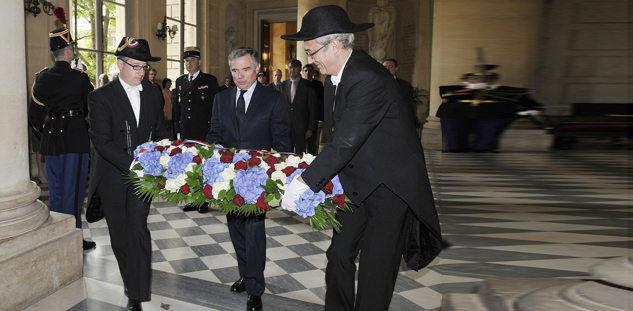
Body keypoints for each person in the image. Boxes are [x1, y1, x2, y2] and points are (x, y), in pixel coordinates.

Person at [281, 5, 441, 311]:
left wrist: (305, 182)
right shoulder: (332, 77)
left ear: (336, 44)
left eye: (312, 51)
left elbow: (344, 142)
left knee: (375, 269)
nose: (310, 60)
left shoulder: (368, 77)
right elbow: (340, 137)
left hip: (391, 187)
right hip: (357, 181)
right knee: (339, 255)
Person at [87, 37, 170, 311]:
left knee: (137, 228)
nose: (141, 72)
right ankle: (130, 280)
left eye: (144, 67)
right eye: (135, 66)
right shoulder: (100, 97)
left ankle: (136, 294)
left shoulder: (152, 92)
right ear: (120, 64)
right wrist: (133, 164)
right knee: (120, 234)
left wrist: (165, 157)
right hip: (112, 174)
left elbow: (160, 132)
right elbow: (102, 141)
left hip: (142, 176)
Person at [206, 46, 290, 311]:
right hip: (229, 178)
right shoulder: (222, 99)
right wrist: (213, 151)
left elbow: (281, 141)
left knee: (254, 232)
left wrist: (272, 172)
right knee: (236, 229)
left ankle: (255, 288)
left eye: (245, 69)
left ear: (256, 69)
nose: (240, 76)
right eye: (234, 70)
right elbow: (214, 134)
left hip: (257, 178)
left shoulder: (273, 99)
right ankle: (245, 274)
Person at [28, 10, 96, 251]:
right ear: (69, 52)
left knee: (56, 190)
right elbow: (92, 107)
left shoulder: (42, 79)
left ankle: (60, 236)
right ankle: (72, 237)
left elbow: (34, 116)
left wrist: (43, 133)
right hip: (75, 138)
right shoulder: (79, 78)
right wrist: (87, 123)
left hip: (52, 139)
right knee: (75, 192)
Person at [437, 68, 543, 152]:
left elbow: (532, 105)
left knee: (486, 141)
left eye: (486, 79)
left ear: (493, 80)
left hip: (492, 115)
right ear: (465, 80)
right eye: (473, 79)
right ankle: (456, 150)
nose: (476, 80)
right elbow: (448, 95)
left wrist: (526, 111)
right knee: (455, 140)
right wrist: (474, 88)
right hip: (457, 114)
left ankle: (483, 150)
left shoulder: (508, 91)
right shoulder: (455, 90)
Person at [171, 46, 220, 213]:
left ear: (199, 62)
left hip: (203, 131)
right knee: (189, 167)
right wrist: (177, 130)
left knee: (203, 166)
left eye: (192, 60)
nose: (189, 63)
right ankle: (192, 198)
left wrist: (214, 130)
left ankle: (204, 201)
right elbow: (177, 109)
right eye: (186, 61)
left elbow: (216, 107)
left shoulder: (209, 80)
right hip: (186, 132)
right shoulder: (180, 81)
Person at [279, 59, 317, 154]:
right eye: (290, 67)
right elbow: (278, 108)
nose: (292, 70)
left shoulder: (308, 85)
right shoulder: (282, 85)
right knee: (285, 154)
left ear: (300, 69)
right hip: (286, 127)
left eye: (295, 67)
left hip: (302, 127)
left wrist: (310, 128)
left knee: (300, 155)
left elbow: (313, 108)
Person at [302, 64, 324, 154]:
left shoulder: (318, 85)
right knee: (301, 147)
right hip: (301, 121)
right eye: (305, 71)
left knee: (313, 146)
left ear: (313, 72)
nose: (307, 73)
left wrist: (321, 119)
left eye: (309, 71)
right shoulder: (298, 83)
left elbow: (321, 103)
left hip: (315, 121)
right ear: (303, 72)